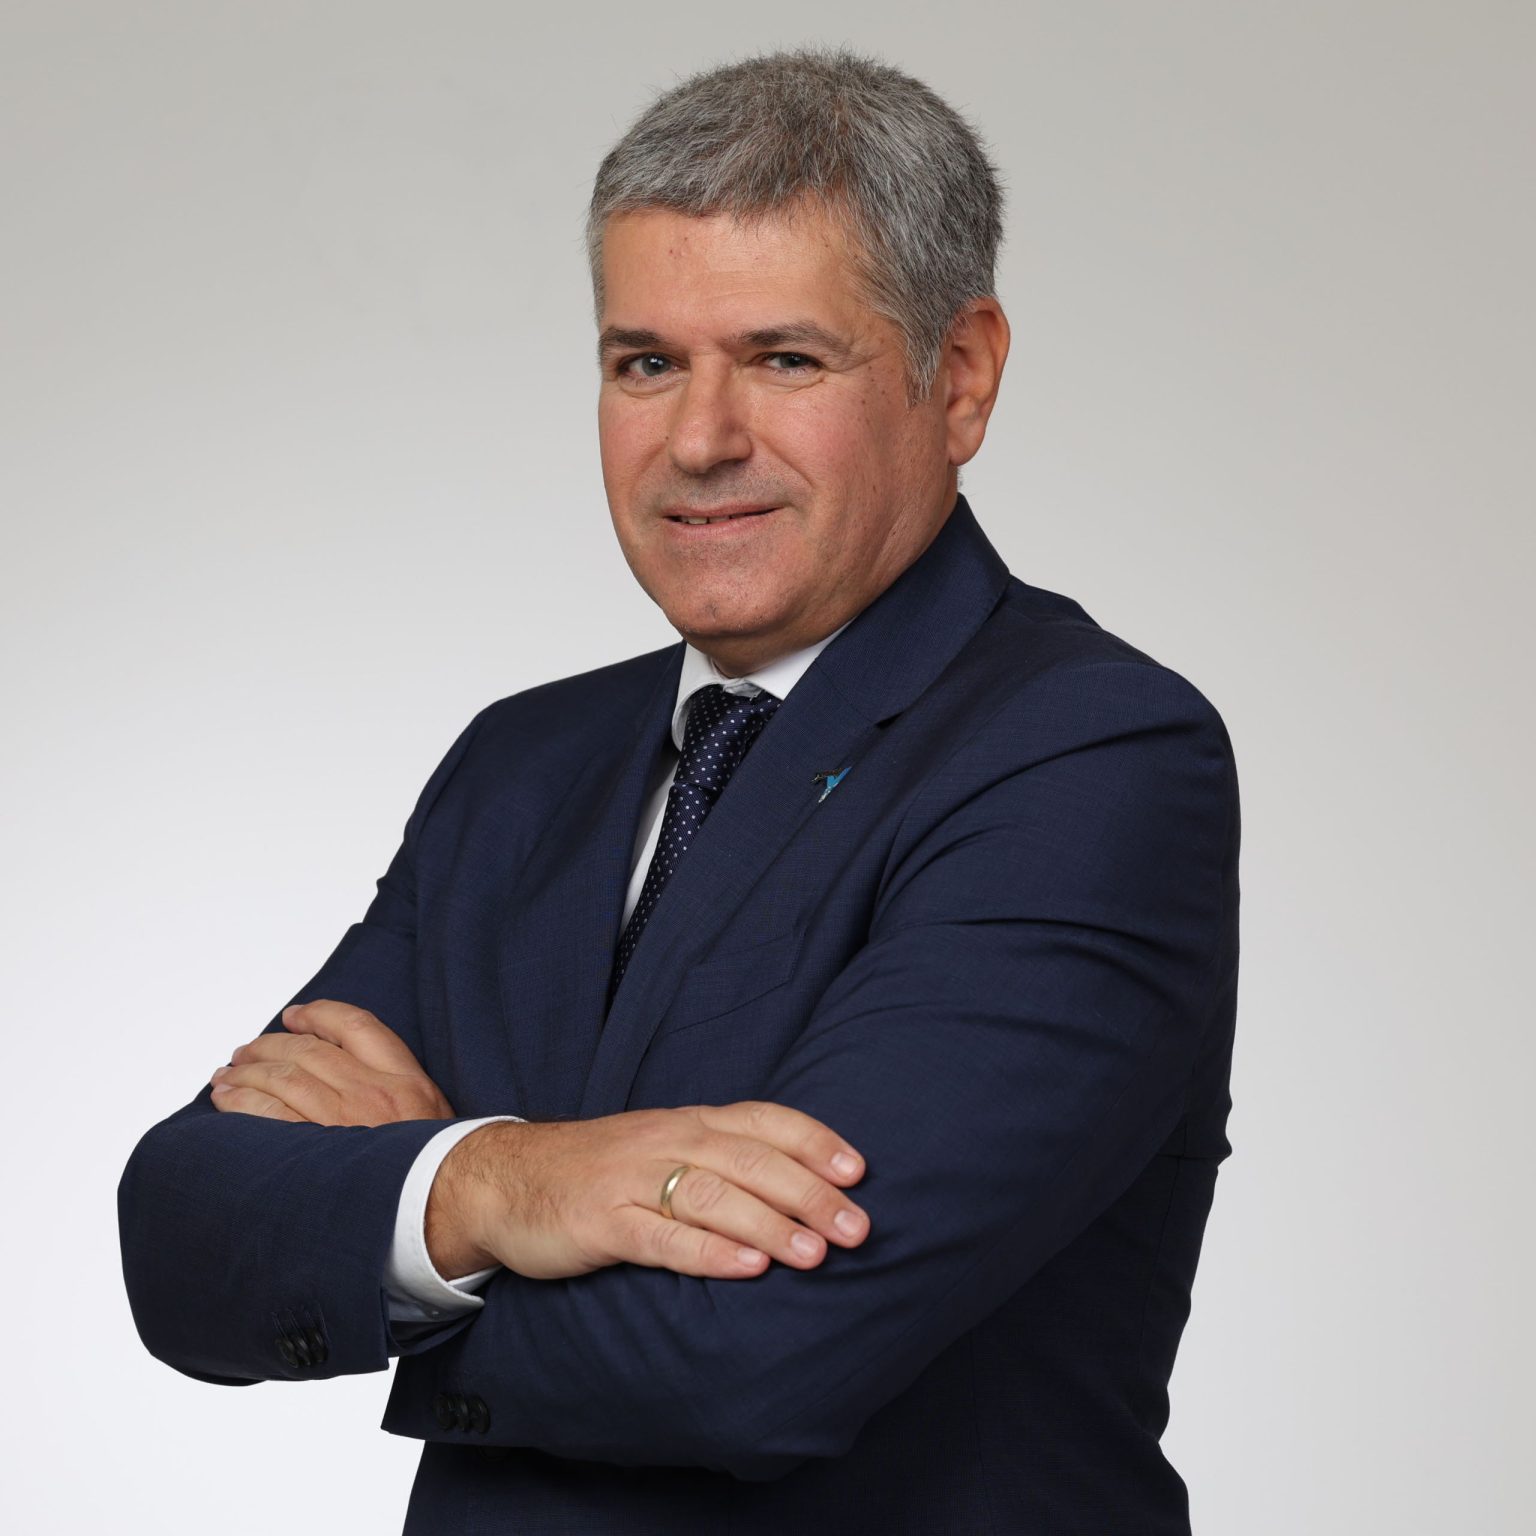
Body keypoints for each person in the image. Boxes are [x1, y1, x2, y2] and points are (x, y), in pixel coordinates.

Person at [117, 45, 1241, 1535]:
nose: (700, 441)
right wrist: (499, 1182)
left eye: (785, 359)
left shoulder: (1087, 755)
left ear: (959, 378)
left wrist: (391, 1219)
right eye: (646, 362)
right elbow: (183, 1240)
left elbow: (750, 1356)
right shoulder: (521, 766)